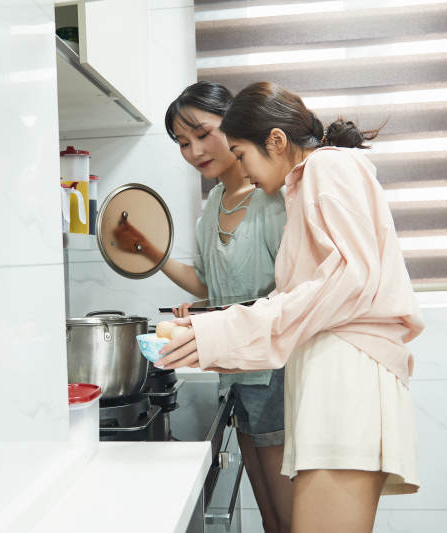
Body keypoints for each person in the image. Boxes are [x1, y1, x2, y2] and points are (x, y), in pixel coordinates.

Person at [156, 81, 424, 533]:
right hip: (332, 378)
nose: (242, 169)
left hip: (346, 377)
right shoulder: (307, 181)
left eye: (241, 154)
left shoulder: (327, 167)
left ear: (276, 141)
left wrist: (222, 332)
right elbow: (310, 291)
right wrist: (215, 335)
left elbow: (348, 280)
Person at [114, 81, 293, 533]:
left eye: (202, 133)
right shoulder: (212, 204)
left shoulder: (273, 199)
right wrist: (152, 255)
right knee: (271, 519)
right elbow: (210, 284)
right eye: (182, 142)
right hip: (234, 372)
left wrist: (216, 315)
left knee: (290, 519)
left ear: (232, 124)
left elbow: (292, 293)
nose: (194, 151)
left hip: (275, 374)